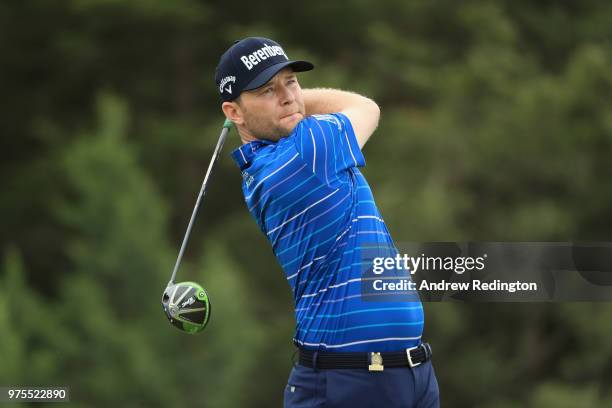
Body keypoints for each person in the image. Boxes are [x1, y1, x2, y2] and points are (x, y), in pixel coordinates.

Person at [215, 37, 439, 408]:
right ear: (234, 113)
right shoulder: (305, 153)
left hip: (406, 374)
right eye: (267, 90)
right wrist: (300, 105)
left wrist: (284, 102)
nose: (287, 97)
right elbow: (365, 106)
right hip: (350, 381)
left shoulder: (295, 150)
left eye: (291, 82)